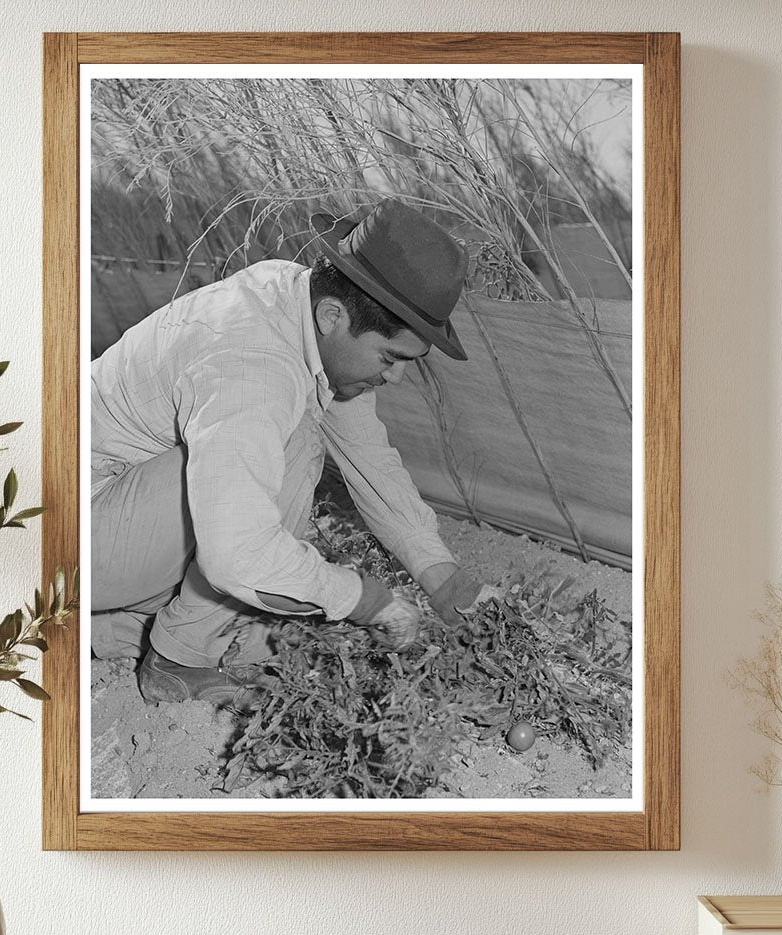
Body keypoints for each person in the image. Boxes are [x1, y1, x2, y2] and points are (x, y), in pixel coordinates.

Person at [90, 198, 486, 707]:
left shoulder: (292, 299)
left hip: (104, 520)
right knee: (297, 447)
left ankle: (111, 628)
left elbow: (370, 459)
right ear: (333, 315)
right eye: (391, 357)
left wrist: (444, 579)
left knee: (260, 620)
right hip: (69, 534)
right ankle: (178, 660)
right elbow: (241, 554)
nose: (395, 377)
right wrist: (367, 601)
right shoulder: (254, 365)